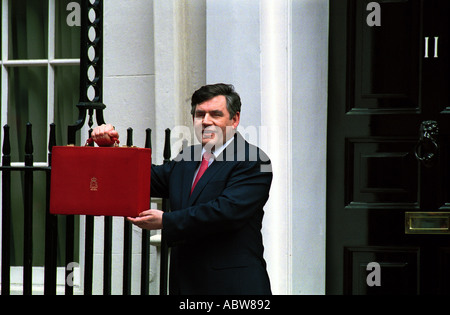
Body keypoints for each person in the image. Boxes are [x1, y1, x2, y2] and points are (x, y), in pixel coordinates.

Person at [91, 83, 272, 295]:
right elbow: (140, 180)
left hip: (233, 287)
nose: (206, 121)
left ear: (235, 119)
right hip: (185, 285)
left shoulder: (254, 160)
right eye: (199, 114)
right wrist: (110, 150)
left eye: (215, 114)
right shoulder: (187, 159)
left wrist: (167, 221)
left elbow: (226, 211)